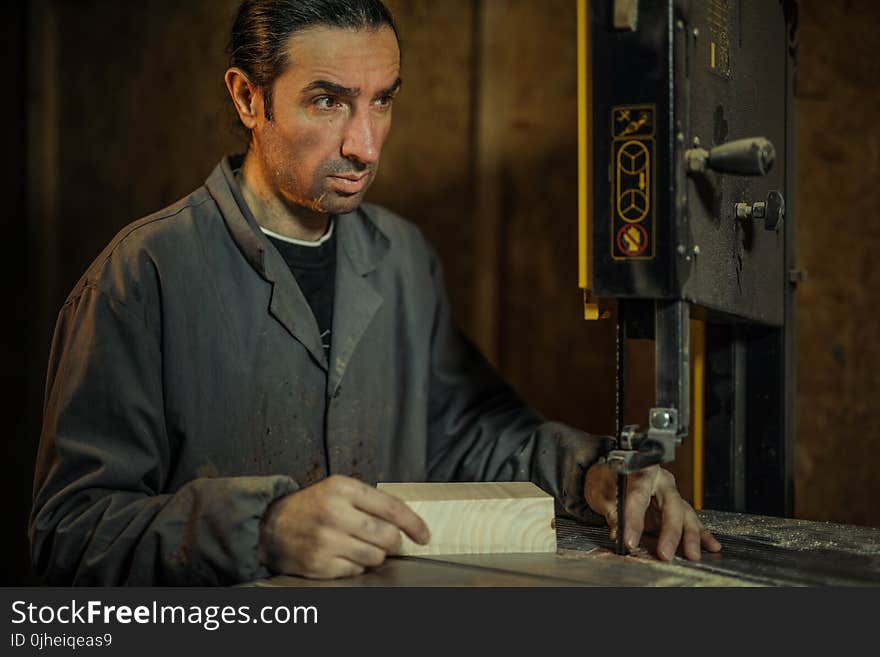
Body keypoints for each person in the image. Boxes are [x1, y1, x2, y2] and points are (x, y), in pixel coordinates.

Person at [29, 0, 720, 586]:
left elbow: (469, 435)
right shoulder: (140, 275)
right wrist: (262, 529)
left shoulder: (401, 260)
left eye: (382, 100)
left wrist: (595, 473)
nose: (364, 145)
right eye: (327, 101)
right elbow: (69, 531)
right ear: (247, 97)